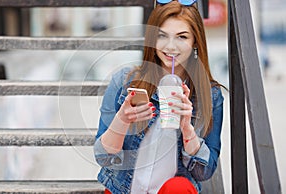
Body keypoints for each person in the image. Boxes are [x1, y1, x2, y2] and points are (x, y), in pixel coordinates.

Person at [93, 0, 224, 193]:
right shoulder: (124, 82)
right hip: (124, 189)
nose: (170, 46)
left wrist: (187, 130)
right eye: (162, 36)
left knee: (178, 188)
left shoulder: (210, 95)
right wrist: (122, 120)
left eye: (182, 37)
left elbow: (205, 172)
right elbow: (103, 158)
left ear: (195, 41)